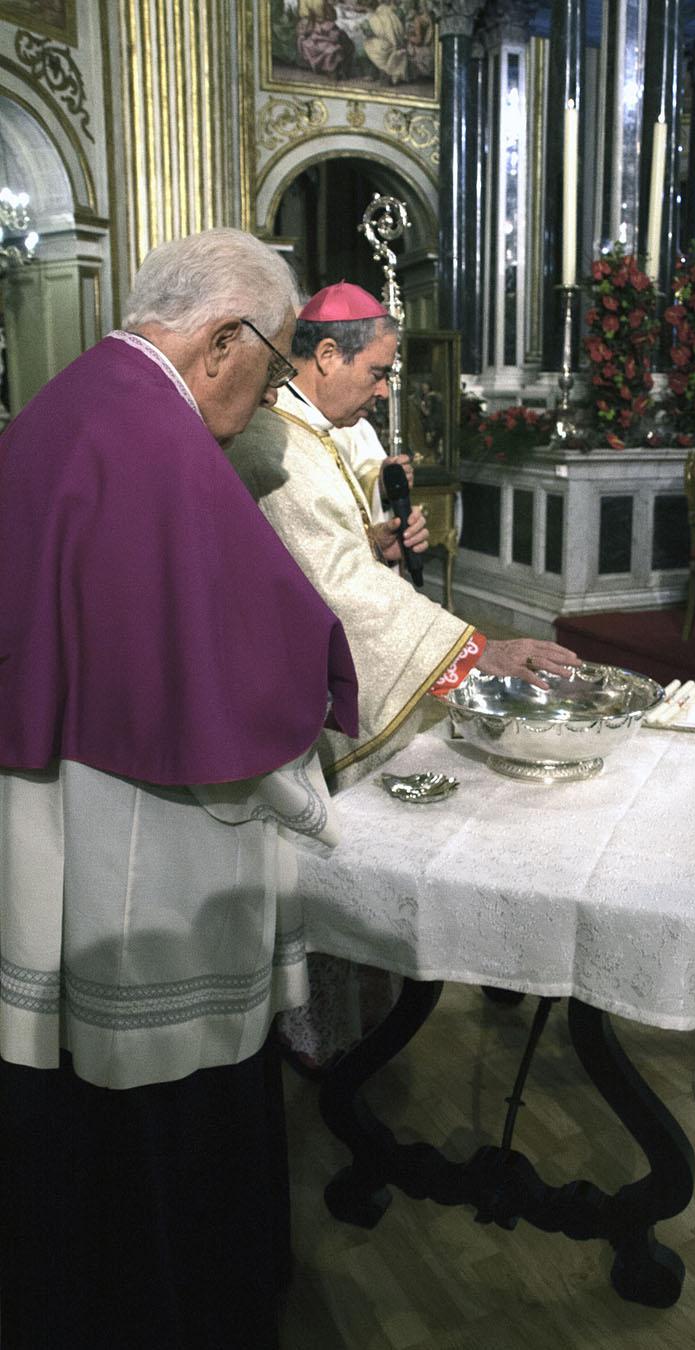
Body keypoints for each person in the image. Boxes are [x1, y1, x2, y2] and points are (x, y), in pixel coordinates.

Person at [0, 228, 358, 1349]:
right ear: (222, 343)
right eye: (276, 356)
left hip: (48, 807)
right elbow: (247, 667)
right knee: (161, 1114)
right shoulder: (153, 436)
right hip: (140, 847)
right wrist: (313, 795)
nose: (264, 395)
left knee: (68, 1116)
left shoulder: (73, 401)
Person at [227, 280, 580, 1067]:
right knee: (331, 876)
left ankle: (367, 1033)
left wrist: (383, 545)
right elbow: (338, 592)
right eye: (380, 372)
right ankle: (331, 1053)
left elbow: (345, 561)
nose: (387, 390)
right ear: (325, 355)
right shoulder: (271, 444)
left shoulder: (311, 434)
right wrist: (477, 650)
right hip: (293, 704)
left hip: (321, 681)